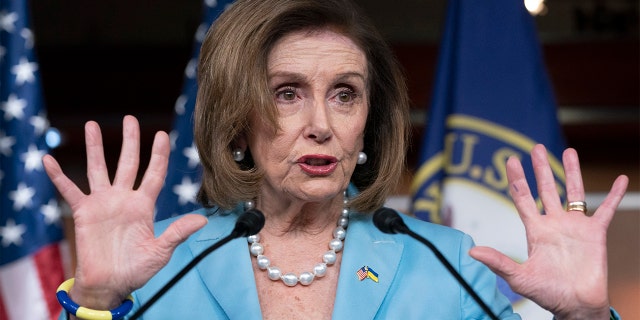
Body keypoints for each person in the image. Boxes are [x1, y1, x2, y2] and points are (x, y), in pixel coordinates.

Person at [43, 0, 629, 319]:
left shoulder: (447, 266)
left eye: (345, 93)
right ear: (237, 123)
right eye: (287, 92)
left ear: (368, 122)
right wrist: (97, 304)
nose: (321, 124)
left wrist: (584, 319)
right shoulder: (156, 265)